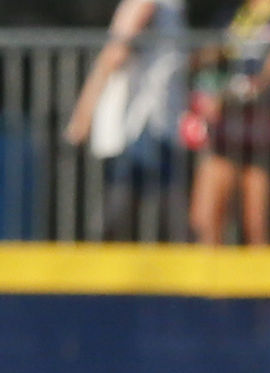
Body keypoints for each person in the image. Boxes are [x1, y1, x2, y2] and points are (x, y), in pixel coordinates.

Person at [63, 0, 187, 241]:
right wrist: (83, 114)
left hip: (148, 123)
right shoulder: (150, 5)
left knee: (141, 204)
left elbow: (115, 55)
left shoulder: (156, 5)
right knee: (139, 204)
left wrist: (82, 115)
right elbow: (115, 55)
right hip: (141, 124)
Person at [186, 0, 270, 247]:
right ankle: (211, 284)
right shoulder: (232, 12)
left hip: (263, 128)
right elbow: (210, 52)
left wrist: (248, 92)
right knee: (205, 220)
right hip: (225, 126)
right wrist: (208, 83)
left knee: (257, 225)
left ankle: (261, 285)